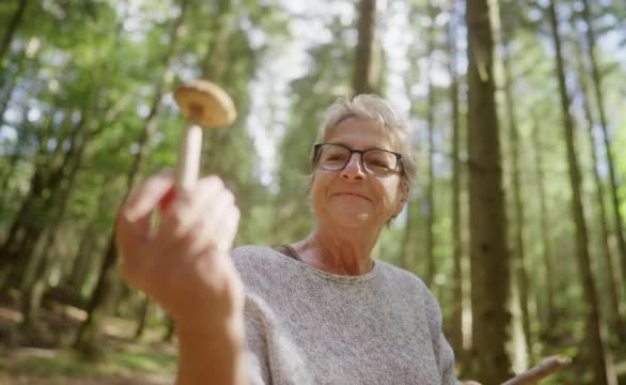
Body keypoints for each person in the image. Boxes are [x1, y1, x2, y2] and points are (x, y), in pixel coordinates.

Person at [116, 94, 470, 384]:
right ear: (315, 182)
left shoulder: (416, 297)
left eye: (377, 162)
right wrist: (207, 323)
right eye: (335, 156)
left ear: (401, 197)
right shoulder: (249, 272)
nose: (352, 170)